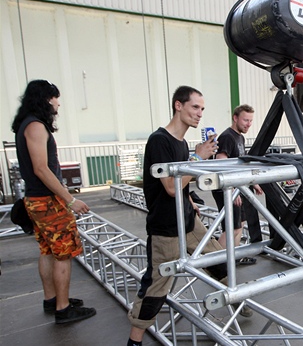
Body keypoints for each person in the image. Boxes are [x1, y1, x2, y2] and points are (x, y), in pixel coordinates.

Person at [127, 86, 248, 346]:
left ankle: (240, 303)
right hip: (166, 228)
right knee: (156, 287)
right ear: (178, 106)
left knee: (218, 259)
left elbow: (181, 188)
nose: (200, 114)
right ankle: (134, 340)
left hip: (188, 222)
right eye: (195, 107)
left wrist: (191, 200)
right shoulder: (160, 140)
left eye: (202, 109)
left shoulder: (182, 143)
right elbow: (170, 187)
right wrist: (197, 158)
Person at [11, 80, 97, 324]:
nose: (58, 103)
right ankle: (63, 308)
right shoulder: (36, 126)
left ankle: (52, 299)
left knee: (48, 250)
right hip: (48, 202)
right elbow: (41, 169)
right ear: (47, 99)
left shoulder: (25, 124)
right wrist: (70, 200)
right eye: (56, 98)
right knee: (63, 254)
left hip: (36, 200)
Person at [212, 104, 263, 265]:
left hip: (236, 188)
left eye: (250, 121)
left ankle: (232, 259)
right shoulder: (227, 137)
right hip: (228, 189)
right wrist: (231, 189)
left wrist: (253, 183)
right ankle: (217, 263)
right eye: (245, 120)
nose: (248, 124)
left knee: (239, 226)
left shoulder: (239, 137)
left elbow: (241, 163)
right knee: (231, 228)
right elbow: (220, 162)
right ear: (235, 118)